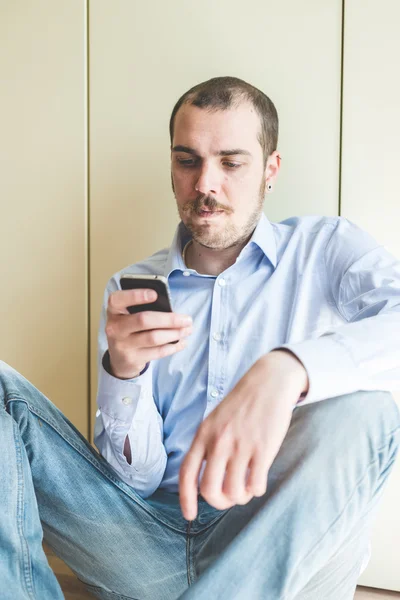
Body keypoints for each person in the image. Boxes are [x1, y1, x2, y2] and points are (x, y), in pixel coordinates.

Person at [1, 76, 400, 600]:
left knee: (368, 412)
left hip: (274, 540)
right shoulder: (133, 288)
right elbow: (136, 481)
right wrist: (122, 374)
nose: (205, 184)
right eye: (187, 161)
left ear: (270, 170)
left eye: (231, 163)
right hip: (147, 540)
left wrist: (289, 368)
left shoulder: (326, 249)